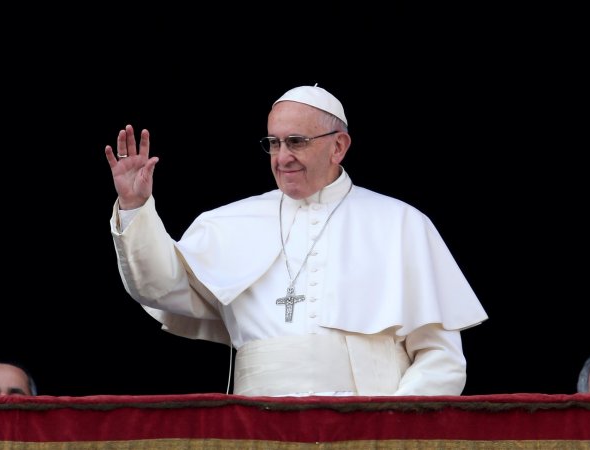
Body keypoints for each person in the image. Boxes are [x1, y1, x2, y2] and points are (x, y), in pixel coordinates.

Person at [105, 84, 488, 397]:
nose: (282, 157)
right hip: (256, 427)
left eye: (296, 142)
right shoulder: (229, 222)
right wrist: (136, 207)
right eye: (273, 143)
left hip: (370, 426)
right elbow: (159, 286)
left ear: (339, 146)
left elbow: (442, 358)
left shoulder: (402, 224)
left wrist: (390, 424)